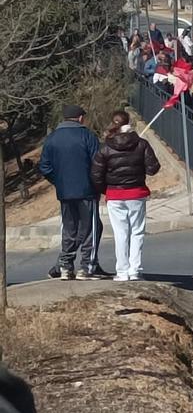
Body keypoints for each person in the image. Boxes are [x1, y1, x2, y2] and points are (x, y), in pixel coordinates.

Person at [90, 111, 160, 282]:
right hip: (136, 192)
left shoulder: (106, 147)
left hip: (115, 194)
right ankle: (135, 269)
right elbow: (153, 168)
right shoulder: (141, 144)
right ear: (129, 123)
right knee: (137, 232)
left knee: (120, 234)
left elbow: (96, 174)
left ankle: (122, 271)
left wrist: (106, 190)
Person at [39, 104, 103, 280]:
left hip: (65, 192)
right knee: (90, 228)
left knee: (69, 228)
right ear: (81, 118)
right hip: (86, 191)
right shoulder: (87, 136)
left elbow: (45, 167)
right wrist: (97, 185)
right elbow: (98, 164)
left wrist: (59, 181)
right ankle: (86, 267)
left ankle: (66, 266)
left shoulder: (52, 138)